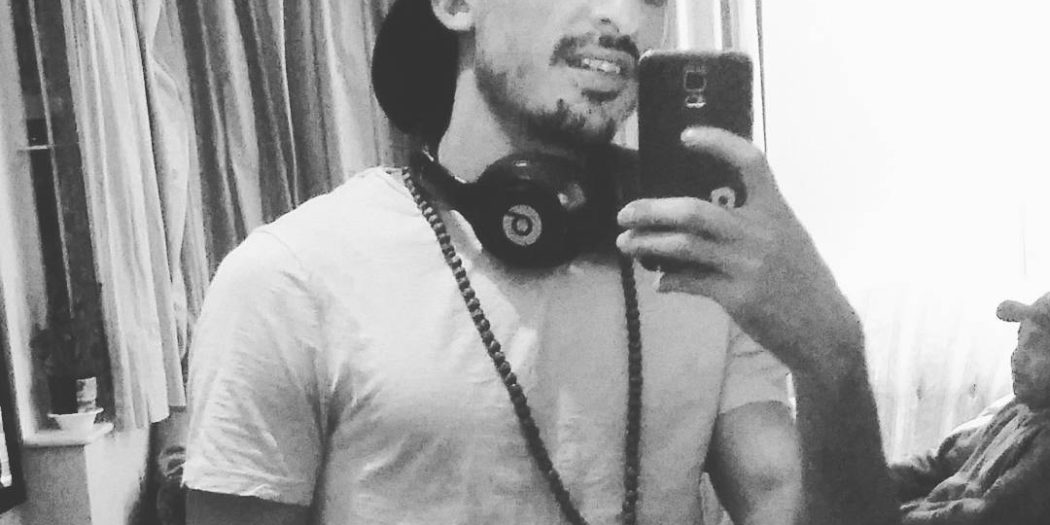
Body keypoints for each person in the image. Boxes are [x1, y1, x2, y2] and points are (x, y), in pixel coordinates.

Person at [183, 1, 897, 524]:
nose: (625, 18)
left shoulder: (698, 258)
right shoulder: (289, 280)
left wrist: (832, 351)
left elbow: (785, 502)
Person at [889, 292, 1050, 524]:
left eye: (1035, 344)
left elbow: (986, 516)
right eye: (1019, 340)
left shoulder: (1044, 444)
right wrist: (871, 478)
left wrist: (892, 516)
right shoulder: (1015, 409)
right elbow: (943, 462)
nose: (1017, 356)